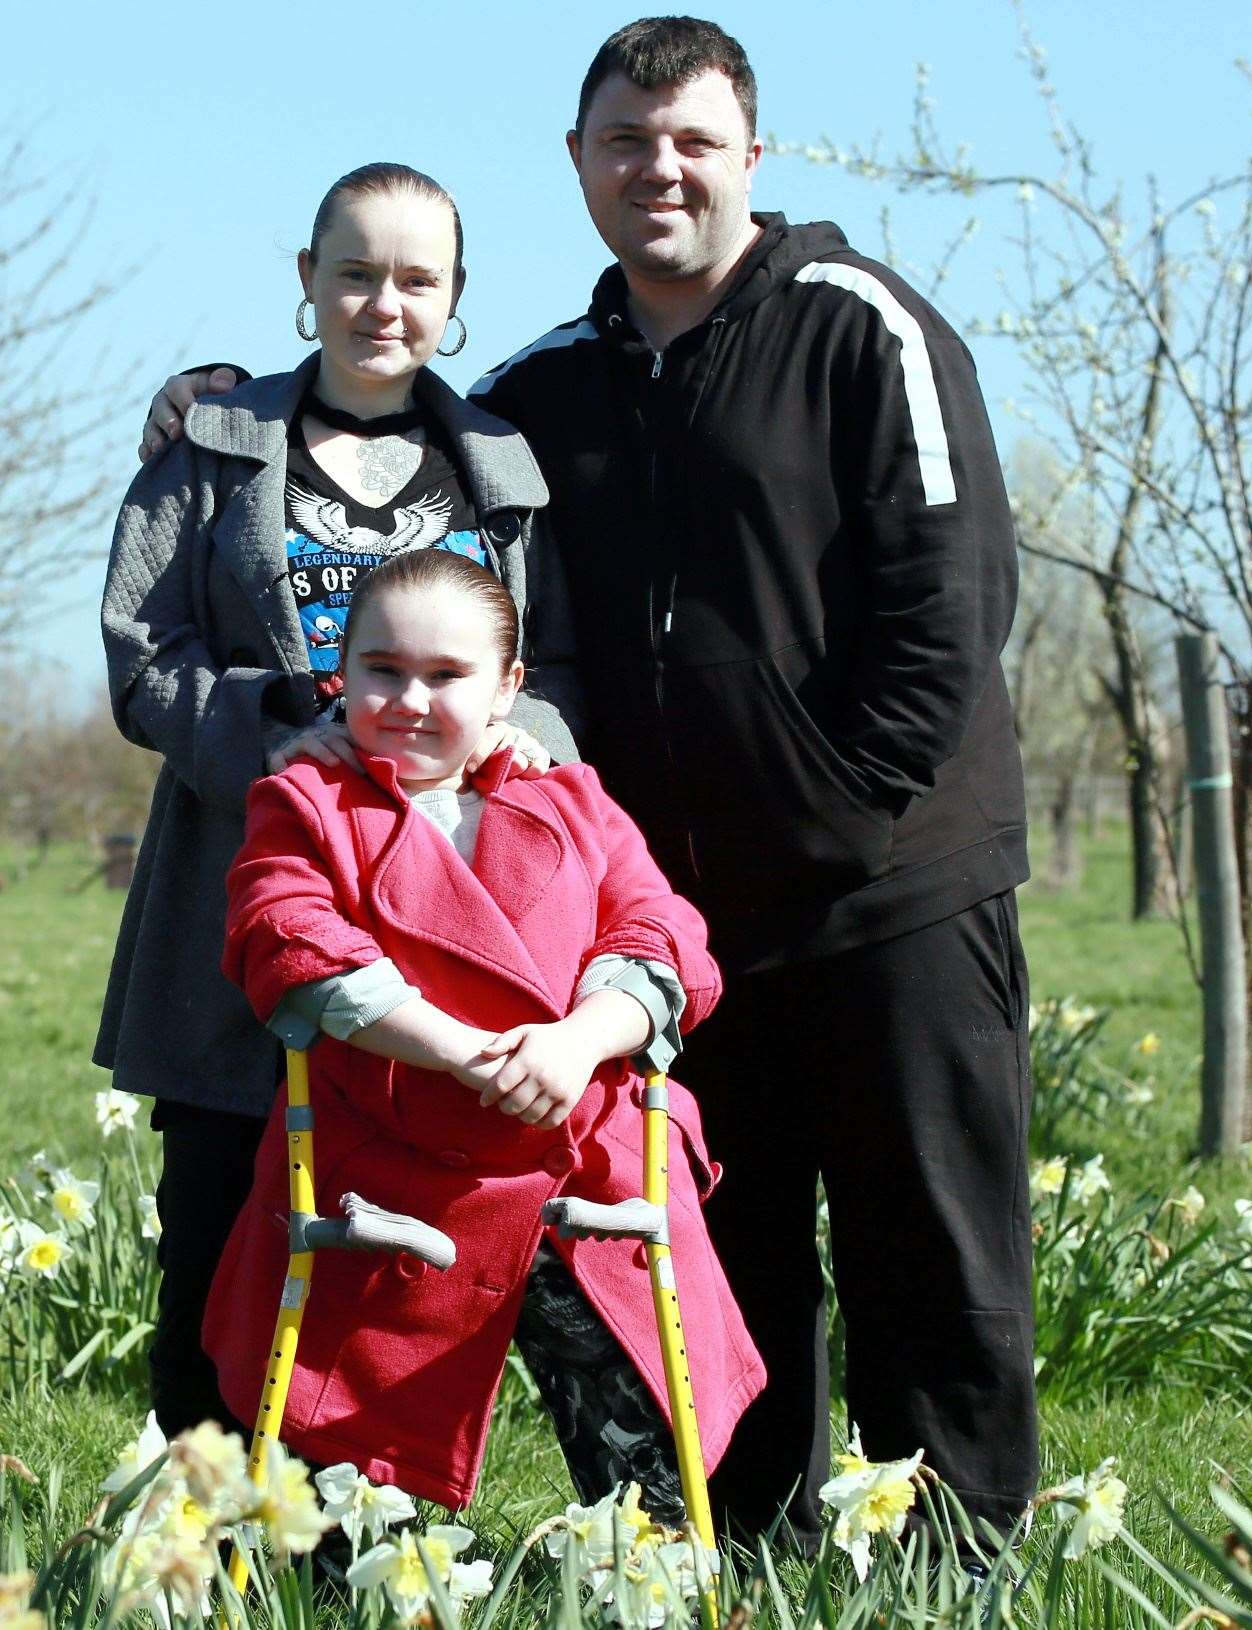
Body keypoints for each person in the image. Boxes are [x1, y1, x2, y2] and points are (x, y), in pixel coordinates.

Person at [137, 17, 1038, 1548]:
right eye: (624, 142)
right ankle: (729, 1549)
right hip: (671, 922)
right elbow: (401, 460)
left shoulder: (856, 324)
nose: (657, 168)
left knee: (925, 1243)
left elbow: (946, 605)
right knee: (702, 1249)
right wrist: (234, 406)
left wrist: (830, 817)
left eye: (689, 138)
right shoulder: (542, 388)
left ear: (751, 152)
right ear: (577, 165)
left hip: (887, 885)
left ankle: (957, 1558)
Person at [96, 162, 582, 1447]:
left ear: (456, 297)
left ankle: (357, 1532)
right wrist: (278, 730)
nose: (383, 302)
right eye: (355, 271)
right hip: (241, 910)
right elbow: (143, 659)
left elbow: (556, 675)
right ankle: (206, 1545)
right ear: (305, 282)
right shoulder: (211, 449)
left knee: (392, 1252)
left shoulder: (501, 473)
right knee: (214, 1246)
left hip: (446, 932)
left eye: (417, 279)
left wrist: (512, 741)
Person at [207, 547, 761, 1518]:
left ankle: (644, 1579)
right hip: (385, 1170)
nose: (410, 699)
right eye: (383, 668)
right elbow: (286, 939)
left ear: (507, 687)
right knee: (356, 1512)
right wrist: (467, 1053)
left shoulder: (572, 798)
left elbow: (665, 933)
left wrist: (579, 1040)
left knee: (647, 1470)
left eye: (446, 674)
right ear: (344, 671)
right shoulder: (302, 803)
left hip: (582, 1158)